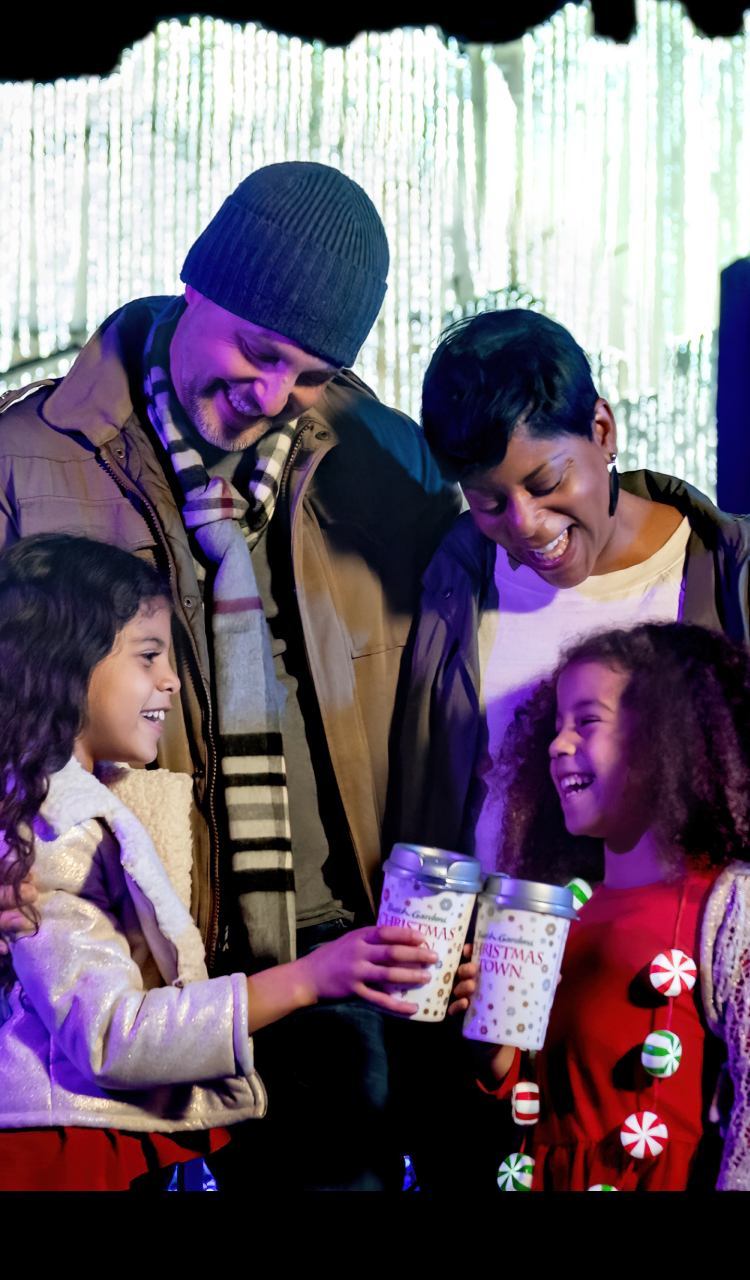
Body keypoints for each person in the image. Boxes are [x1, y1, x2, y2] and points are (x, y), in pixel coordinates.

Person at [0, 163, 461, 1189]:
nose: (270, 394)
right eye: (257, 349)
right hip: (134, 977)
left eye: (305, 373)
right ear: (195, 282)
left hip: (346, 965)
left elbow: (475, 679)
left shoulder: (385, 463)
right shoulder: (25, 460)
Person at [0, 534, 436, 1192]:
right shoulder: (58, 831)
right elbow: (113, 1036)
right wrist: (310, 977)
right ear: (68, 666)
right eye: (148, 657)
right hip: (63, 1152)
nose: (171, 679)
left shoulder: (85, 804)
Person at [393, 309, 750, 867]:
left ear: (602, 431)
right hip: (493, 951)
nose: (525, 522)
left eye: (547, 483)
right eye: (489, 502)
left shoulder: (729, 573)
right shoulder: (457, 583)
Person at [450, 622, 750, 1191]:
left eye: (586, 721)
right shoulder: (560, 912)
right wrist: (490, 1039)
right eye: (557, 725)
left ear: (668, 740)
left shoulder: (730, 905)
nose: (557, 745)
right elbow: (524, 1082)